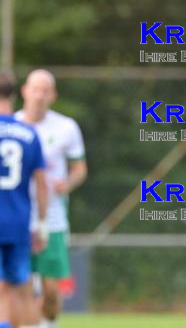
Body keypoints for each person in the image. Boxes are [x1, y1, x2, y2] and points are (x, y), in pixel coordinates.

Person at [15, 70, 87, 328]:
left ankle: (47, 322)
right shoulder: (11, 127)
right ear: (25, 91)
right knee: (17, 286)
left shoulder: (66, 127)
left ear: (53, 96)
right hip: (18, 218)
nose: (39, 96)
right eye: (35, 89)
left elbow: (80, 169)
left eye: (45, 90)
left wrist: (66, 184)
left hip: (53, 220)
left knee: (50, 291)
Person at [0, 70, 48, 328]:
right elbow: (42, 185)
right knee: (20, 287)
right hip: (19, 222)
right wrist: (41, 224)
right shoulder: (29, 134)